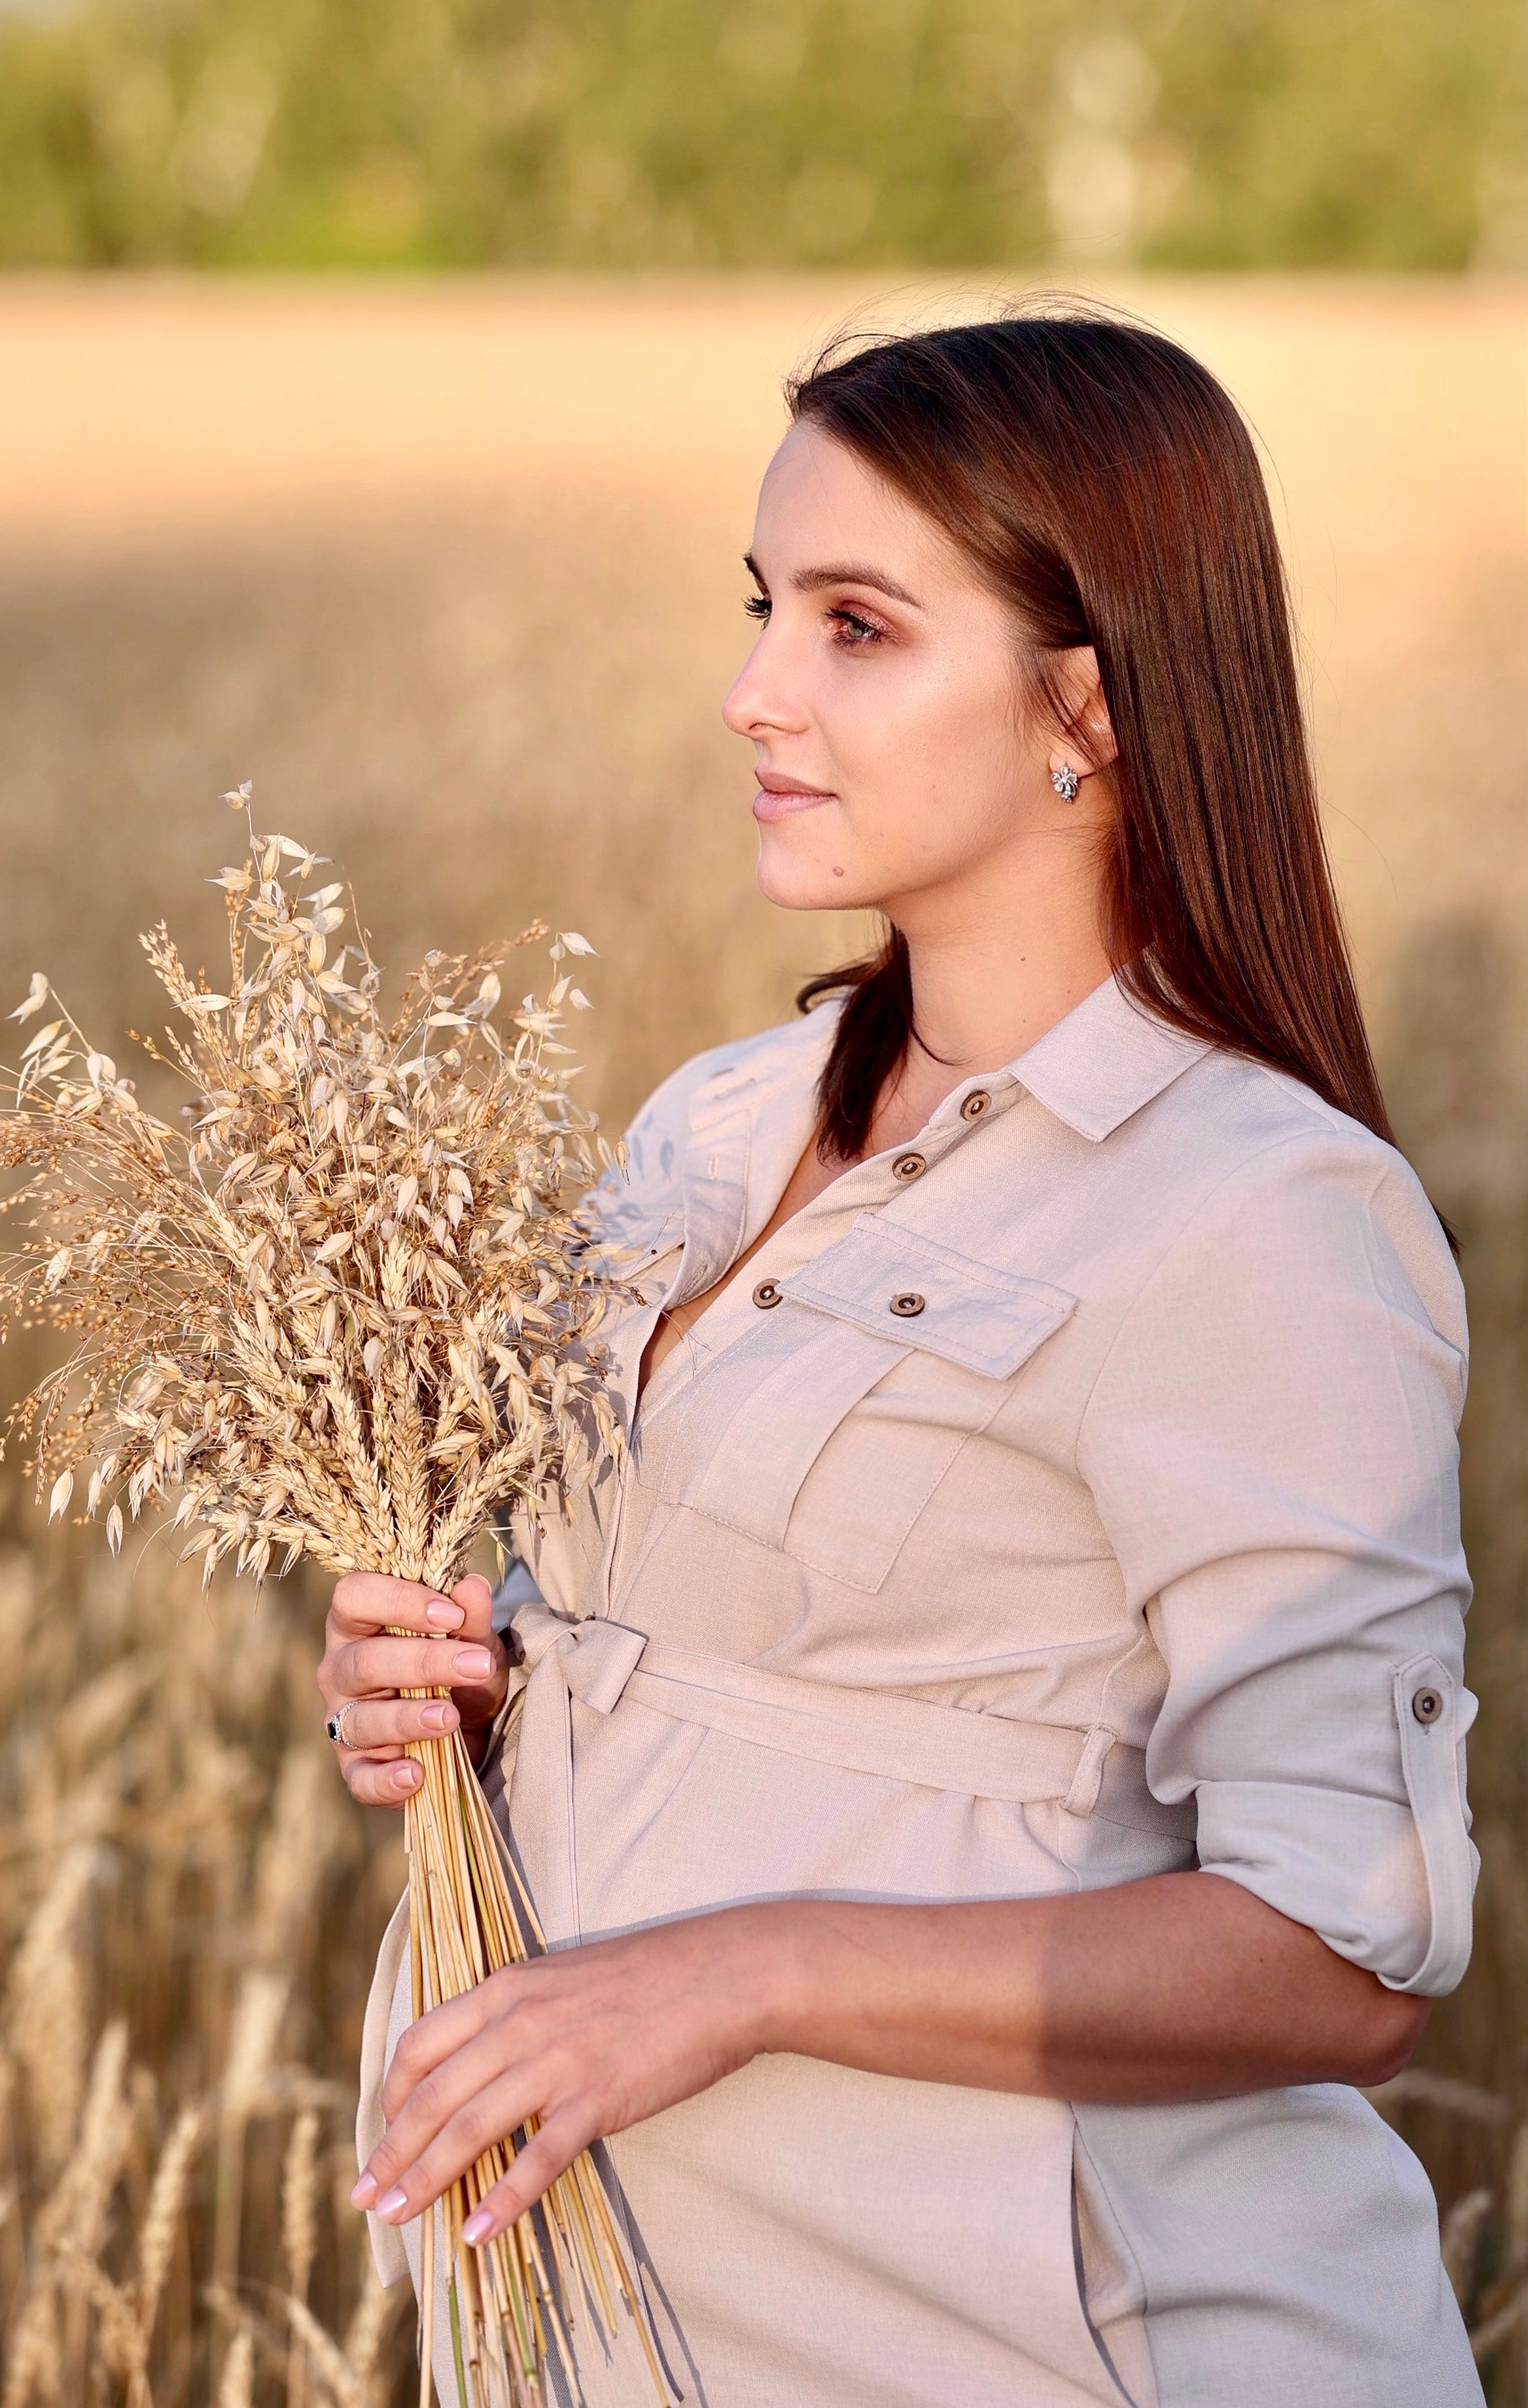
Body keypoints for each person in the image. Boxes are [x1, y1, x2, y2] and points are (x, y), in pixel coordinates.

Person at [315, 310, 1483, 2406]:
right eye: (765, 609)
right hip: (633, 2322)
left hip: (1060, 2355)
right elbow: (733, 1659)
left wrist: (743, 1976)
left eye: (858, 626)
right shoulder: (712, 1123)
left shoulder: (1259, 1215)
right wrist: (473, 1688)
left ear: (1088, 705)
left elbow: (1338, 1958)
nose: (752, 693)